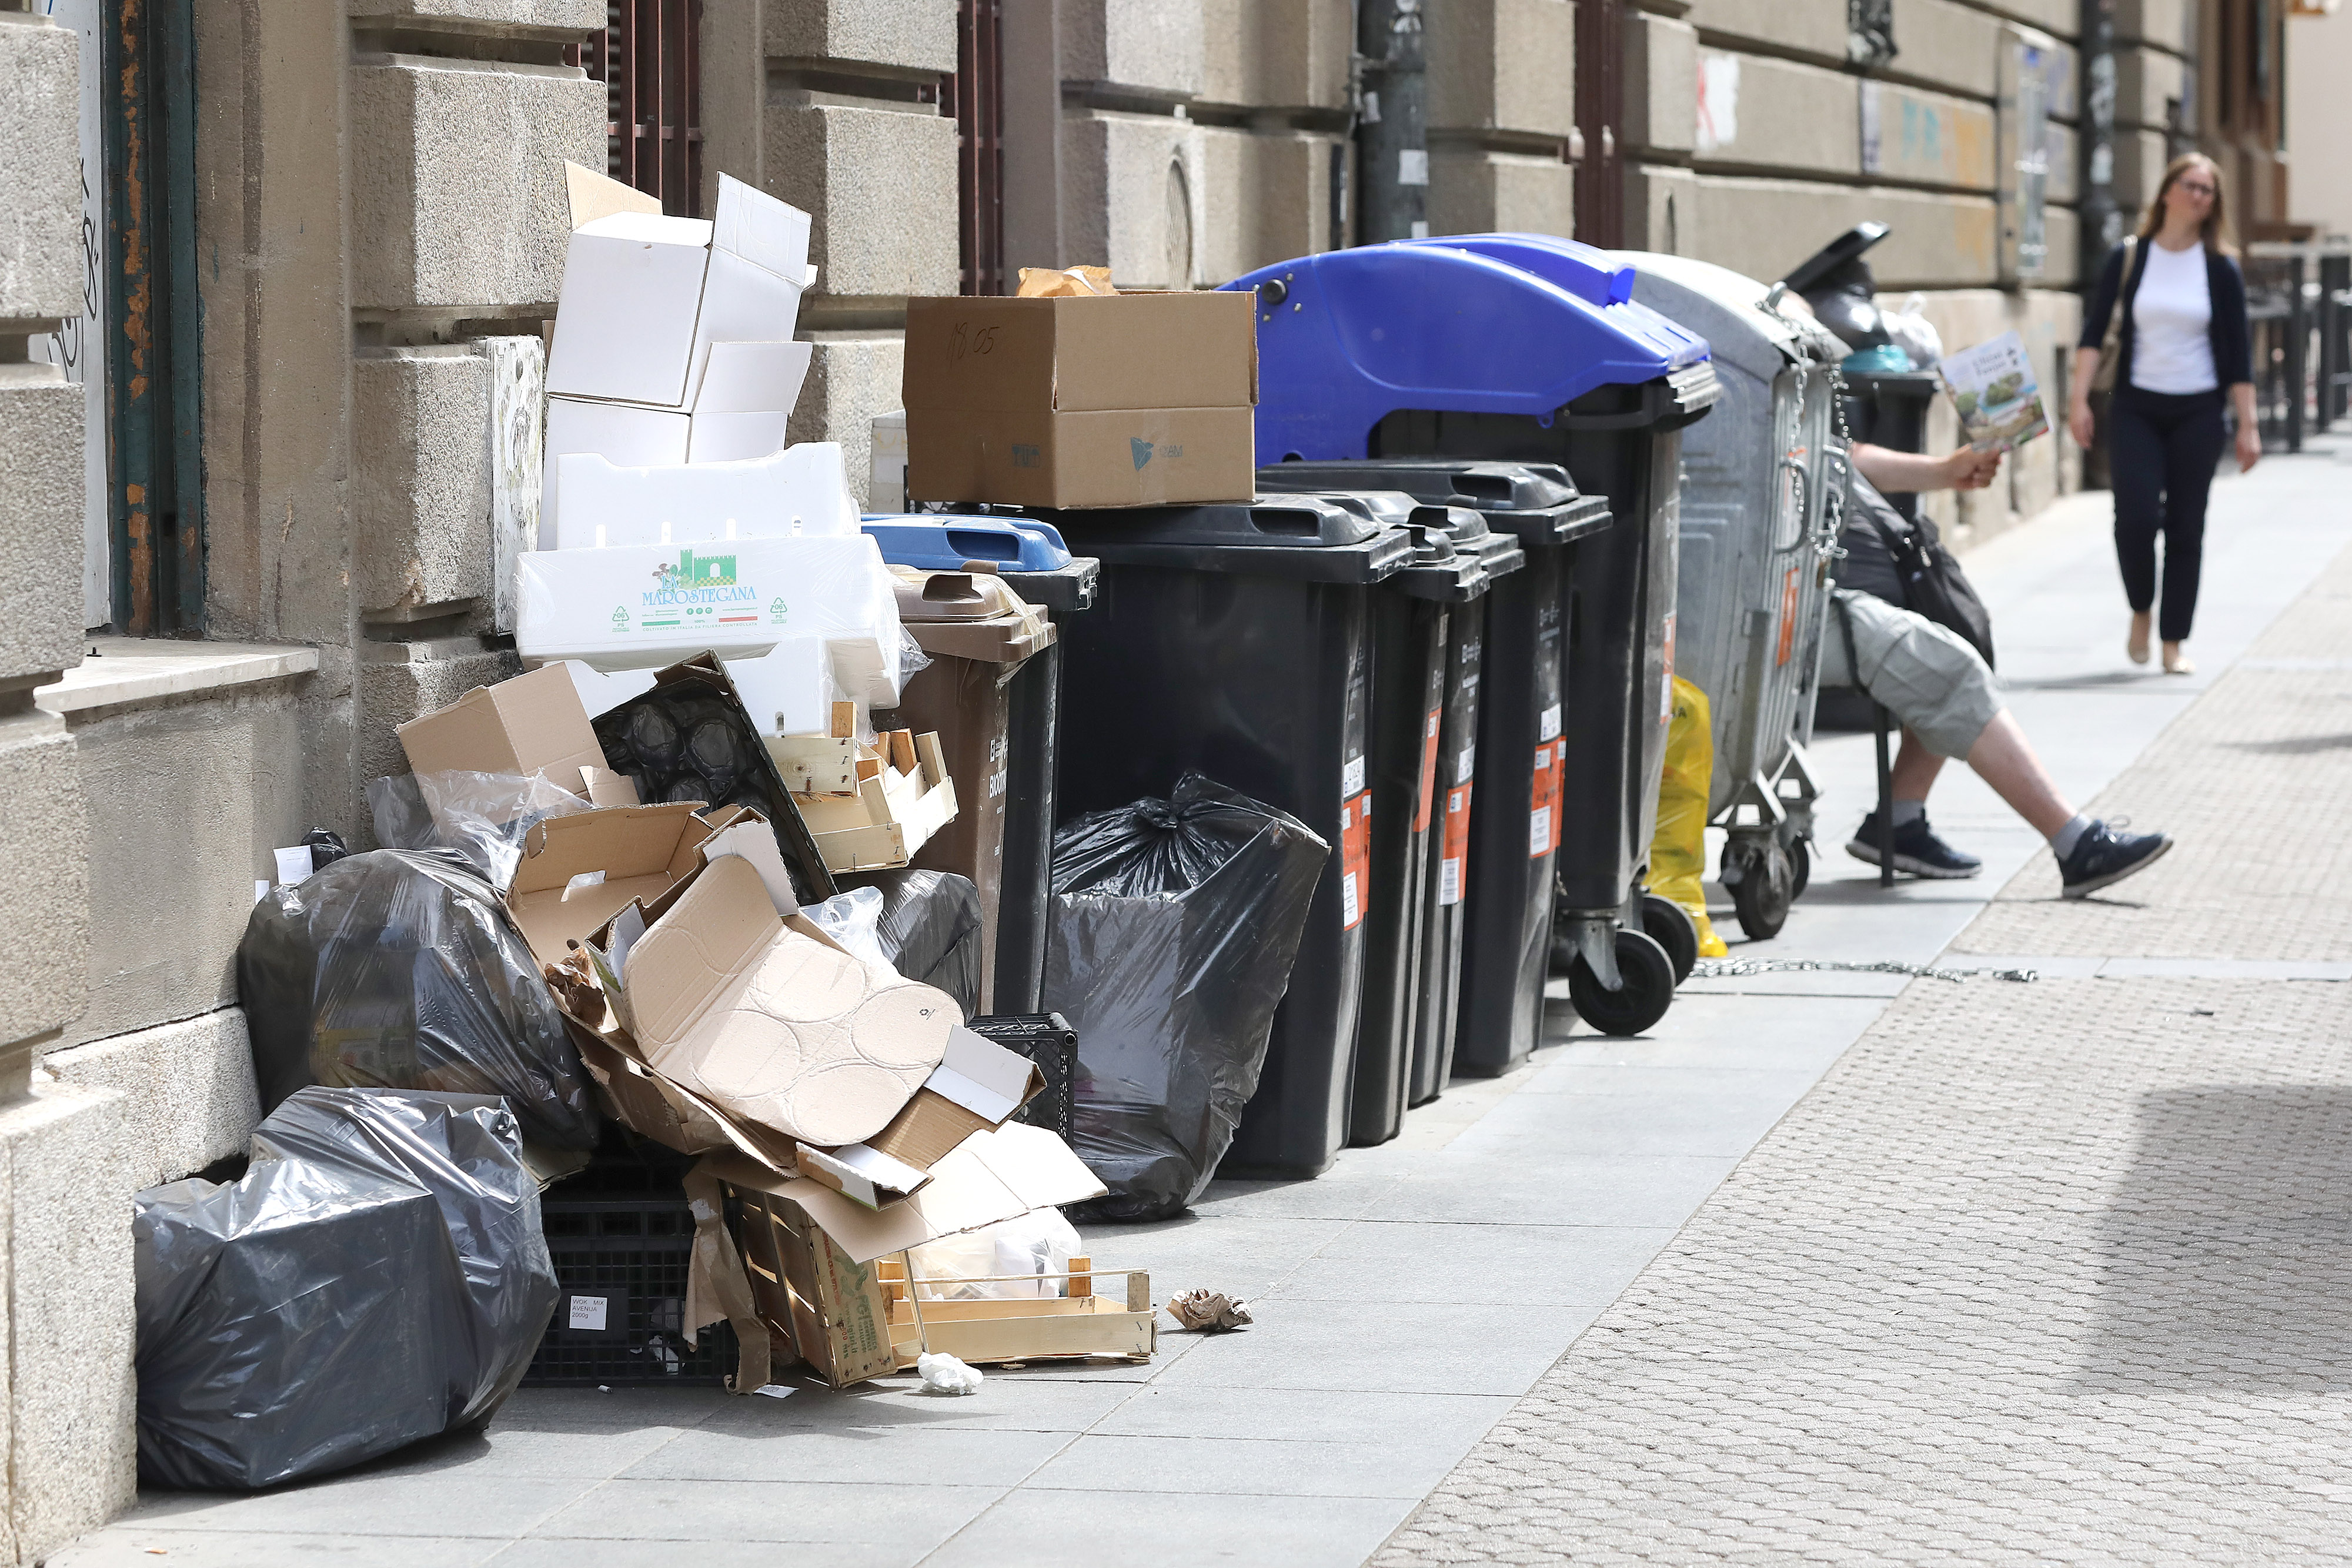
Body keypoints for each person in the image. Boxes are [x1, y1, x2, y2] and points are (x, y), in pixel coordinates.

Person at [1822, 442, 2173, 900]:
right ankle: (2076, 844)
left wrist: (1946, 471)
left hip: (1803, 590)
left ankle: (1900, 819)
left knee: (1951, 628)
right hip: (1793, 603)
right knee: (1952, 670)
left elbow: (1835, 452)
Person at [2068, 152, 2259, 676]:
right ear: (2168, 191)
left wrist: (2248, 424)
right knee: (2134, 517)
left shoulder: (2220, 266)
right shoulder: (2130, 256)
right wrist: (2078, 398)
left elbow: (2239, 352)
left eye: (2209, 190)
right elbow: (2093, 333)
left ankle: (2173, 640)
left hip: (2198, 408)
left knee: (2185, 526)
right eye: (2192, 185)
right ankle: (2140, 610)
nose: (2200, 195)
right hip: (2136, 405)